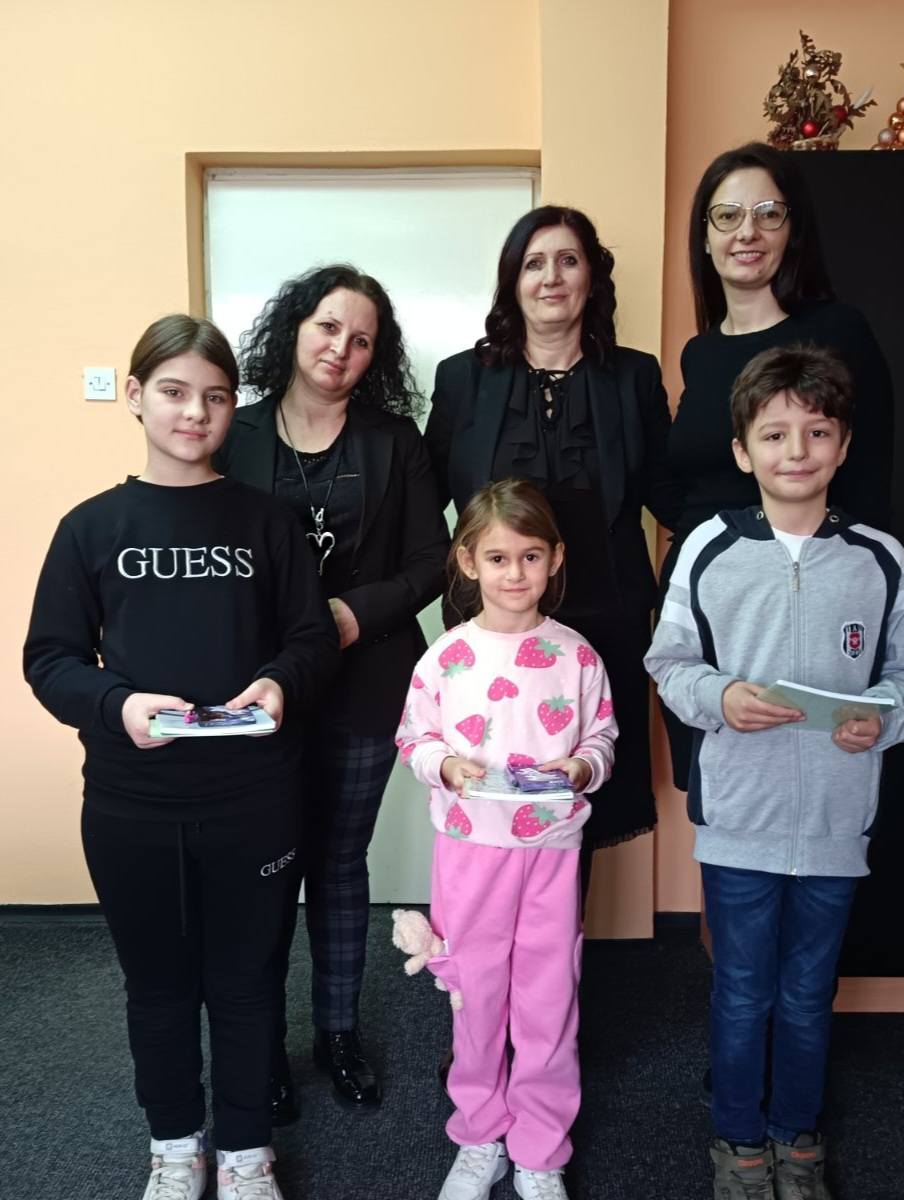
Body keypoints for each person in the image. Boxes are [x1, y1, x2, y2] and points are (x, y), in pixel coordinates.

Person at [23, 315, 339, 1200]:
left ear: (232, 406)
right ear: (135, 396)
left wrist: (278, 684)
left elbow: (313, 640)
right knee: (158, 987)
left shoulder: (268, 521)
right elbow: (49, 659)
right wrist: (116, 705)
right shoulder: (90, 527)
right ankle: (173, 1146)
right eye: (173, 391)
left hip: (254, 797)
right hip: (132, 801)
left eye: (214, 396)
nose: (195, 412)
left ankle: (244, 1152)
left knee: (248, 982)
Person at [645, 345, 904, 1200]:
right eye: (774, 434)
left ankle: (796, 1134)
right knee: (742, 991)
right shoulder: (707, 549)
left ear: (843, 445)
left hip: (837, 823)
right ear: (743, 451)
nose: (797, 450)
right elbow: (668, 663)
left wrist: (884, 714)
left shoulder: (880, 559)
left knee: (810, 990)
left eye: (816, 432)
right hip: (739, 818)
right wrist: (721, 697)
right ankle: (739, 1140)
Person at [213, 265, 449, 1115]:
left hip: (365, 677)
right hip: (258, 686)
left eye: (361, 340)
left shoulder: (395, 440)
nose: (340, 349)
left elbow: (431, 561)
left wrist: (352, 613)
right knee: (267, 866)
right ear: (294, 329)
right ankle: (263, 1044)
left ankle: (337, 1032)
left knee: (340, 861)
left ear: (374, 357)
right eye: (326, 327)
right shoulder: (234, 432)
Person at [426, 205, 680, 866]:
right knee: (487, 784)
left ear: (592, 277)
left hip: (605, 621)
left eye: (569, 260)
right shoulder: (462, 379)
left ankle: (559, 933)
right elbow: (423, 497)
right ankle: (484, 932)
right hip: (494, 627)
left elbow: (671, 495)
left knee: (576, 792)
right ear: (513, 280)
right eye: (534, 263)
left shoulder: (635, 377)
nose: (552, 277)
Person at [395, 478, 617, 1200]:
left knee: (549, 1000)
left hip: (550, 851)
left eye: (529, 557)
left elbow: (602, 739)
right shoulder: (446, 657)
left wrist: (581, 767)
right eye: (497, 558)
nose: (514, 574)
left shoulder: (577, 656)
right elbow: (414, 738)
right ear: (468, 562)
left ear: (555, 558)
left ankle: (541, 1147)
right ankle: (479, 1132)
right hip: (470, 851)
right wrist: (445, 765)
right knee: (476, 994)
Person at [663, 140, 895, 789]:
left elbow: (870, 481)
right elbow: (688, 484)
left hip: (804, 600)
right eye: (727, 215)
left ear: (793, 230)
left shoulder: (839, 331)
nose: (747, 232)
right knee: (717, 791)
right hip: (708, 601)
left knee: (809, 783)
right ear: (705, 236)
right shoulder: (700, 353)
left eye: (768, 213)